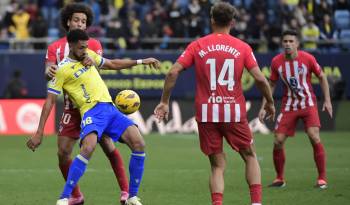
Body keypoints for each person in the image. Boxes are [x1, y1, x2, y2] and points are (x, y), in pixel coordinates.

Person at [154, 2, 275, 205]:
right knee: (250, 156)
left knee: (217, 166)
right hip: (234, 113)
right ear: (233, 22)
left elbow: (173, 71)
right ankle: (256, 203)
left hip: (206, 113)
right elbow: (261, 79)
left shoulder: (198, 45)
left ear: (212, 20)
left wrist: (164, 102)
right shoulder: (242, 47)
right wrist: (270, 102)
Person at [27, 29, 160, 205]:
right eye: (81, 47)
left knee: (139, 143)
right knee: (88, 148)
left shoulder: (89, 55)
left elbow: (112, 64)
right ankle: (64, 197)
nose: (85, 50)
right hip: (91, 112)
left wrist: (141, 61)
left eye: (86, 47)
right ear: (71, 46)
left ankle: (132, 197)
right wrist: (39, 132)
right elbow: (50, 102)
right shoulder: (61, 70)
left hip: (111, 109)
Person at [44, 3, 128, 204]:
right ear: (68, 22)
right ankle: (76, 196)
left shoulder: (93, 44)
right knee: (63, 153)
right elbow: (49, 69)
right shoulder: (54, 47)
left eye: (84, 21)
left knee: (107, 145)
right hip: (71, 108)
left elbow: (97, 66)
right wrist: (48, 71)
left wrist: (89, 60)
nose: (80, 23)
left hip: (92, 105)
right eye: (76, 20)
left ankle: (126, 193)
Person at [258, 29, 332, 189]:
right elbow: (270, 84)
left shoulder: (308, 59)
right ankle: (279, 178)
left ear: (297, 44)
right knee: (277, 141)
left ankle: (322, 178)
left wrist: (327, 100)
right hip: (289, 105)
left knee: (314, 136)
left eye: (291, 41)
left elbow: (322, 77)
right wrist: (264, 106)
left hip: (308, 103)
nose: (288, 44)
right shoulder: (276, 62)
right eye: (285, 41)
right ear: (281, 43)